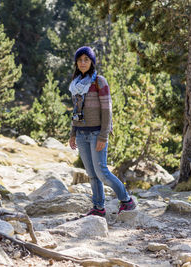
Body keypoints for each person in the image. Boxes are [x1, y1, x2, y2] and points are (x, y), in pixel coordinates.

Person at [68, 46, 136, 217]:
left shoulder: (99, 81)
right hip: (82, 134)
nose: (83, 63)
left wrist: (103, 135)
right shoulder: (75, 84)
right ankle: (98, 208)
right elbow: (75, 111)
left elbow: (107, 111)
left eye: (86, 59)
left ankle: (127, 201)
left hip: (96, 133)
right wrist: (72, 133)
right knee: (91, 175)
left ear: (91, 62)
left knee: (102, 173)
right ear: (76, 62)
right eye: (80, 60)